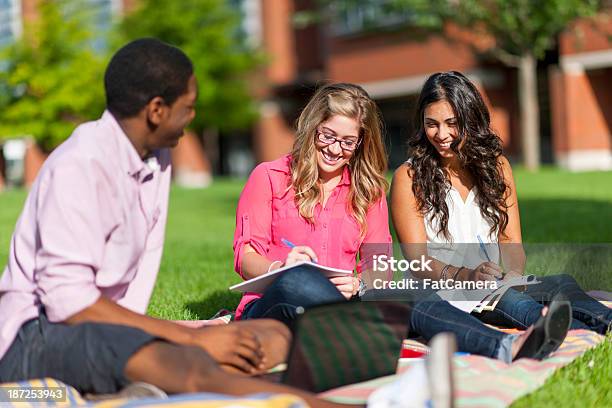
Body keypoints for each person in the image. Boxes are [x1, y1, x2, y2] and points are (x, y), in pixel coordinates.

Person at [0, 38, 360, 408]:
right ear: (157, 110)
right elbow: (67, 303)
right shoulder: (81, 165)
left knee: (270, 337)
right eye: (187, 108)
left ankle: (150, 376)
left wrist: (198, 334)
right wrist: (191, 339)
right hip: (37, 337)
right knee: (189, 363)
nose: (191, 118)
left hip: (108, 328)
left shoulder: (155, 160)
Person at [232, 82, 571, 363]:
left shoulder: (368, 191)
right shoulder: (270, 177)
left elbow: (379, 267)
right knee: (299, 281)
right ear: (311, 130)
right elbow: (245, 258)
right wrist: (281, 266)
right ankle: (366, 343)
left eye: (348, 142)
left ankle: (508, 346)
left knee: (414, 293)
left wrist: (359, 283)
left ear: (360, 143)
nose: (335, 149)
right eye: (327, 136)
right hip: (275, 307)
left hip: (342, 308)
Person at [391, 70, 611, 335]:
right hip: (442, 295)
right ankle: (582, 339)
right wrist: (467, 276)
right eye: (432, 124)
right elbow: (417, 260)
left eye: (452, 122)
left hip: (492, 285)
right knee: (518, 304)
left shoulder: (497, 168)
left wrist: (514, 274)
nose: (441, 134)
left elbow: (510, 242)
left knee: (562, 284)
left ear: (471, 119)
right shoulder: (409, 176)